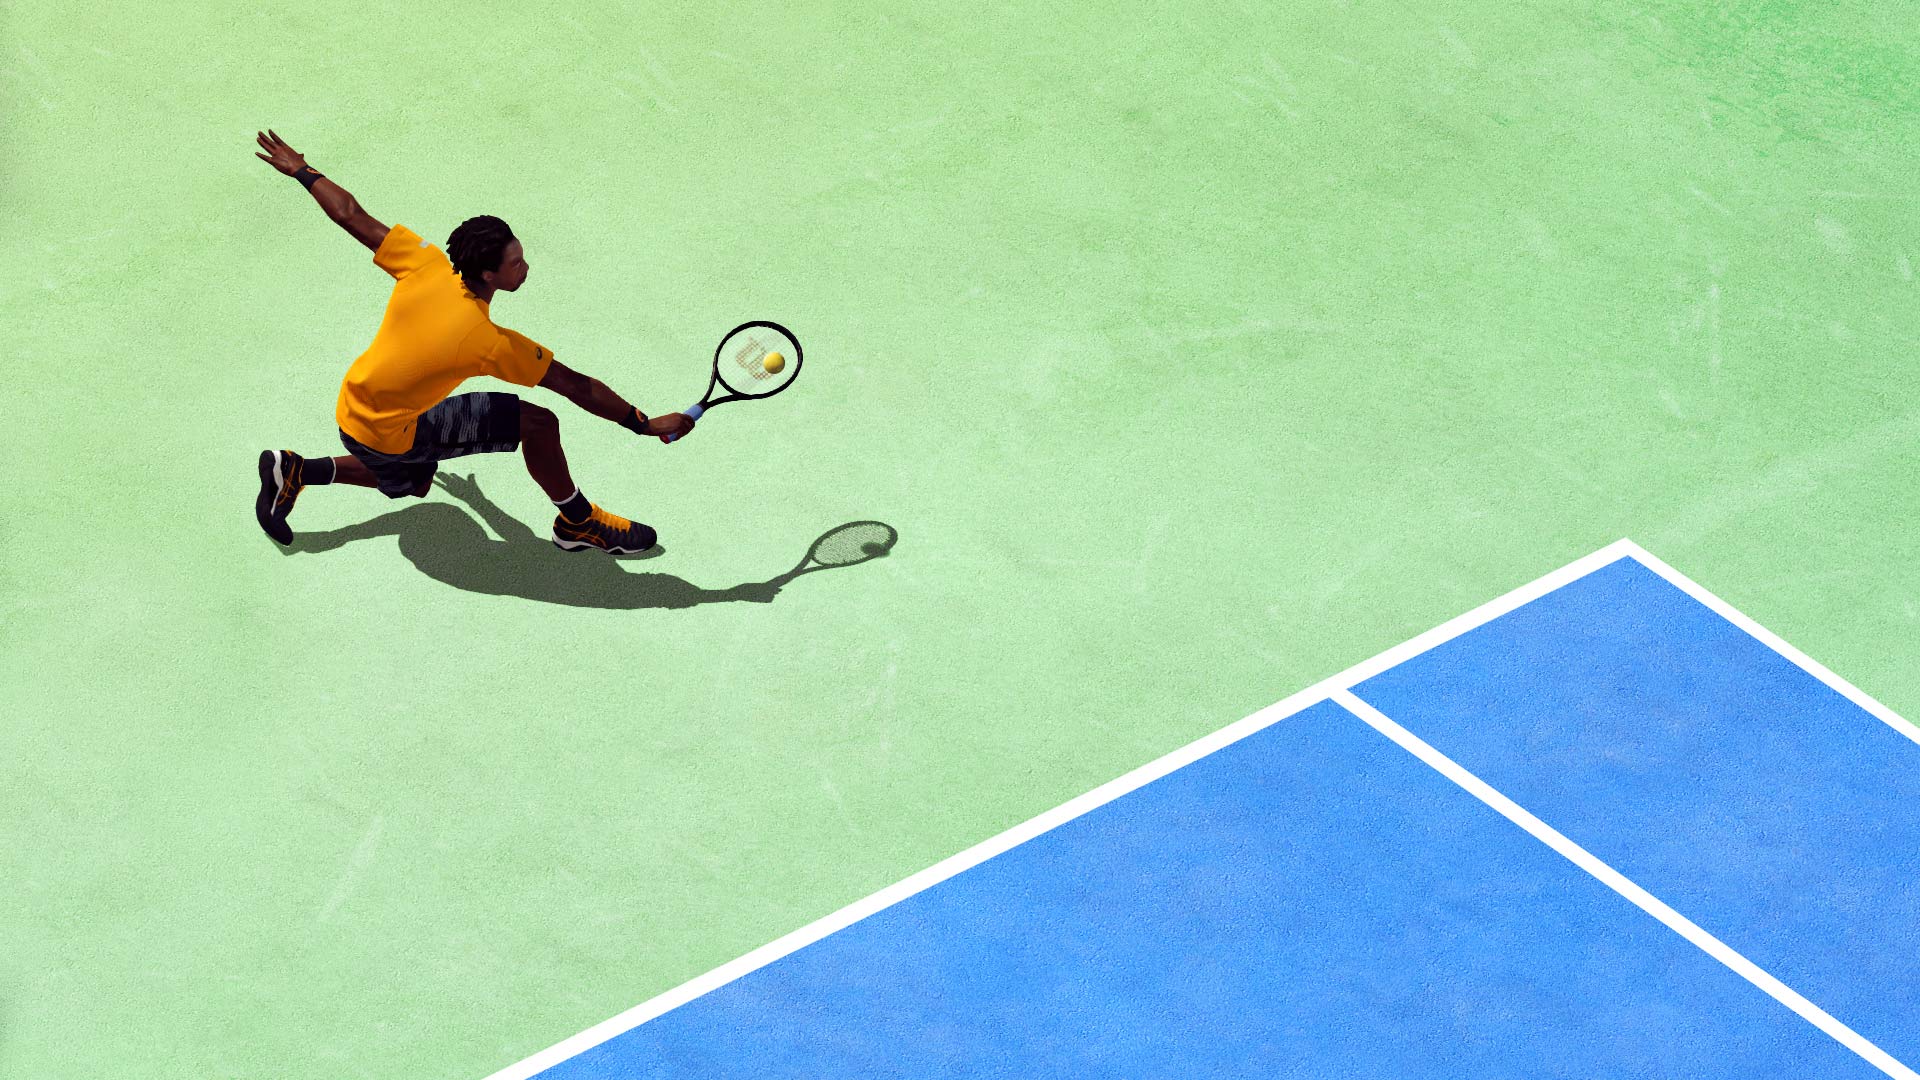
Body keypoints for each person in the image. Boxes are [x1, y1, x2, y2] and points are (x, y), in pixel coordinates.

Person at [250, 129, 692, 554]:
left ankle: (295, 470)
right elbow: (574, 385)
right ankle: (579, 522)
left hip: (354, 402)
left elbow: (350, 214)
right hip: (388, 432)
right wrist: (643, 423)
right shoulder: (486, 343)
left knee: (415, 478)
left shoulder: (426, 264)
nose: (525, 267)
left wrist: (302, 171)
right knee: (534, 425)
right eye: (515, 263)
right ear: (487, 274)